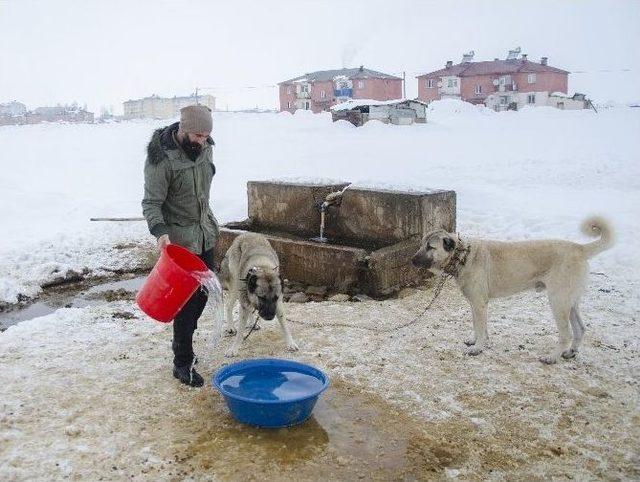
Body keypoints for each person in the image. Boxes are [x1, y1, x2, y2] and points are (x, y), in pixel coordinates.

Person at [142, 105, 219, 387]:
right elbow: (151, 203)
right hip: (181, 245)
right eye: (198, 135)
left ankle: (185, 346)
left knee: (202, 297)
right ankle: (182, 362)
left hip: (205, 235)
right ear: (183, 130)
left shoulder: (206, 147)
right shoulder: (160, 160)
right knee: (186, 305)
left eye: (207, 135)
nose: (203, 140)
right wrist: (160, 231)